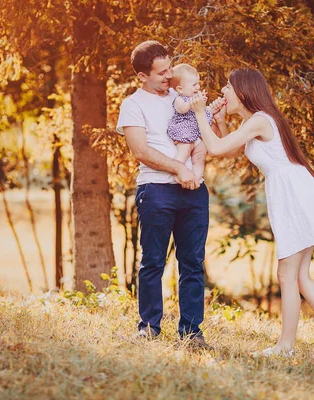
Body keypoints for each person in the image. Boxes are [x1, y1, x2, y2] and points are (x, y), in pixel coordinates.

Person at [190, 68, 314, 358]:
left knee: (288, 274)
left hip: (292, 195)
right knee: (299, 274)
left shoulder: (260, 121)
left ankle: (286, 347)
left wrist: (200, 113)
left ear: (242, 92)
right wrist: (221, 122)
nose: (223, 92)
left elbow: (213, 148)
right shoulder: (256, 122)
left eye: (227, 87)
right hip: (293, 191)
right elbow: (227, 150)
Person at [116, 40, 223, 349]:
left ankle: (192, 332)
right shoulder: (133, 105)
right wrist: (179, 169)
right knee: (152, 262)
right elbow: (140, 150)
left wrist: (196, 168)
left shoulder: (183, 97)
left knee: (193, 262)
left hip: (193, 192)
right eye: (162, 73)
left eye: (170, 69)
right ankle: (148, 327)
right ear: (142, 76)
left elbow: (204, 133)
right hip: (156, 191)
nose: (169, 76)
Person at [167, 63, 214, 180]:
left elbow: (202, 112)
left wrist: (202, 103)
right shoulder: (179, 99)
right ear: (180, 89)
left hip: (196, 135)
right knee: (183, 153)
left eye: (198, 83)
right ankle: (177, 172)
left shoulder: (193, 97)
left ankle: (196, 178)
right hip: (185, 133)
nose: (197, 87)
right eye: (194, 85)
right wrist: (192, 103)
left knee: (200, 156)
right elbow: (182, 109)